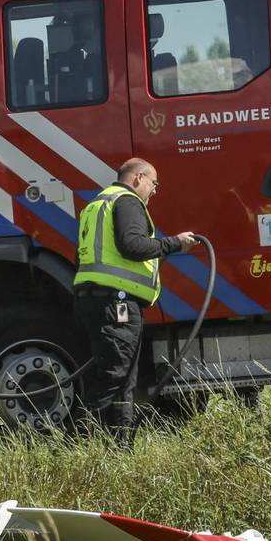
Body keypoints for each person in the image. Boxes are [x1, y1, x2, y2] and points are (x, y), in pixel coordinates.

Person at [73, 157, 197, 445]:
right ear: (139, 177)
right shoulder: (127, 201)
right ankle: (83, 444)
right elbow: (133, 245)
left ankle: (120, 446)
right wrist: (175, 242)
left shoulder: (97, 204)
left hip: (96, 301)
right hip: (115, 304)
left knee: (122, 379)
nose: (155, 191)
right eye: (154, 183)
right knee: (115, 376)